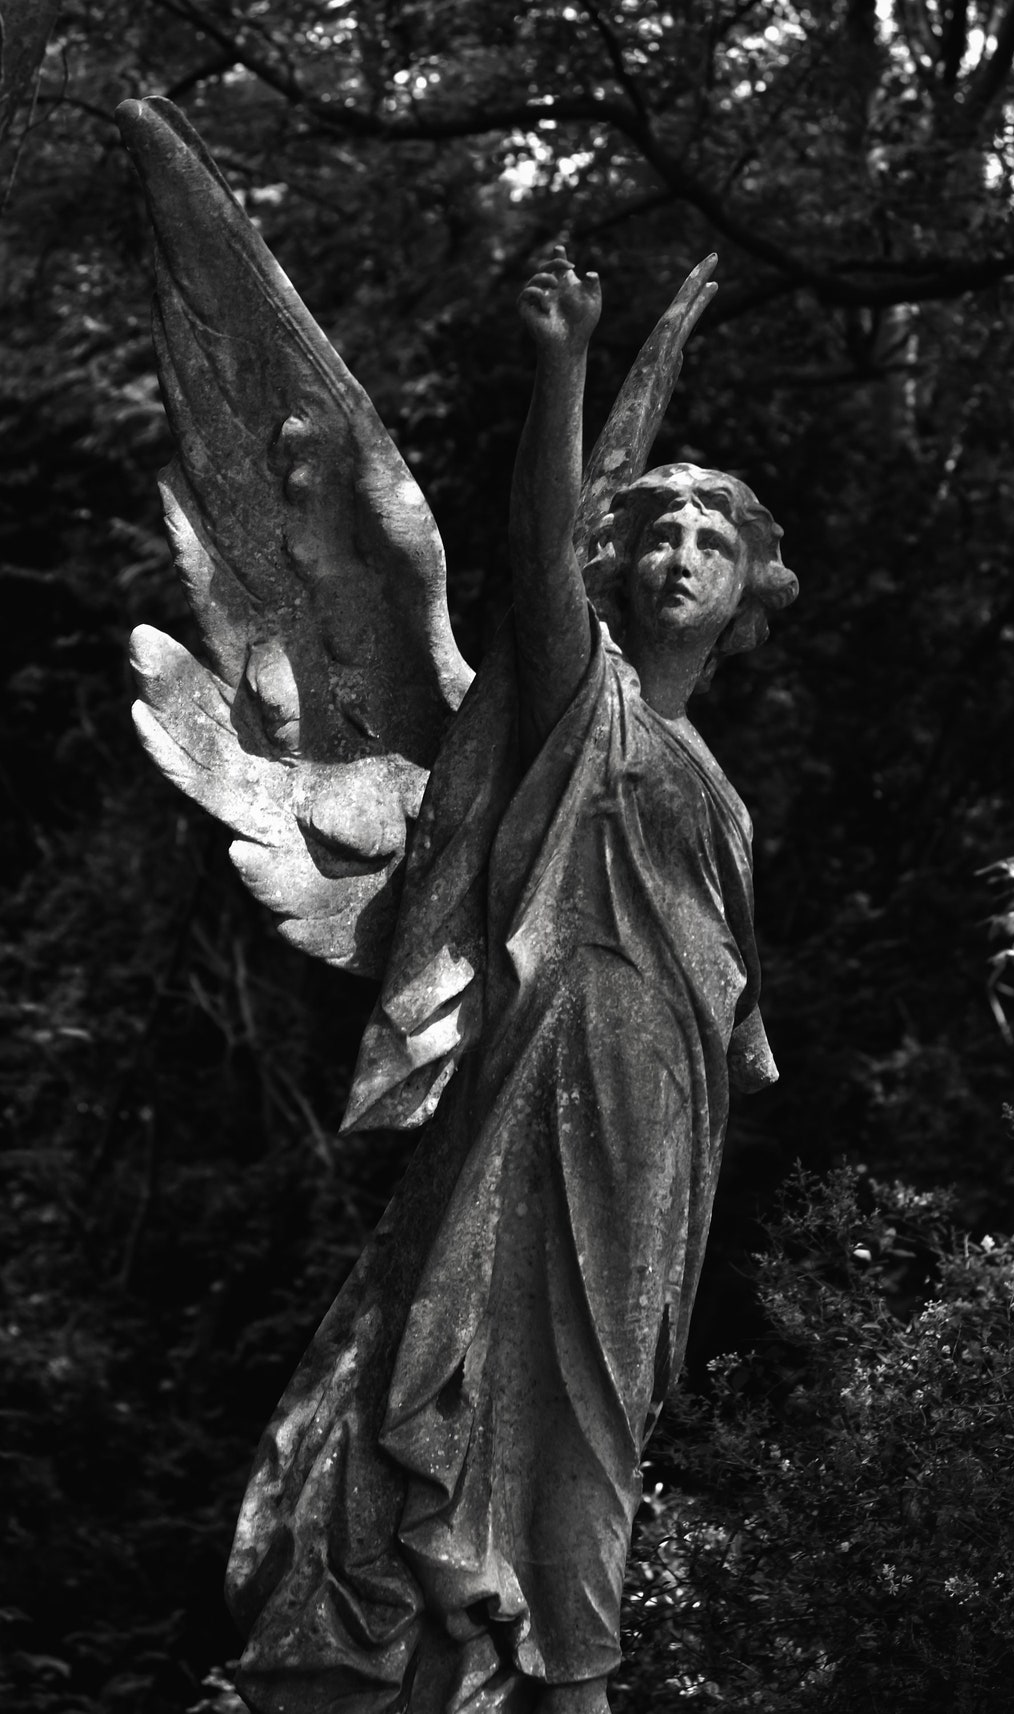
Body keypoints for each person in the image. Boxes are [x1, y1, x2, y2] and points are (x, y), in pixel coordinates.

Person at [224, 251, 797, 1714]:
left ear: (747, 596)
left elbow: (725, 991)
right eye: (655, 527)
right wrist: (565, 373)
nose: (677, 549)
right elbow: (538, 561)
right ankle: (547, 1662)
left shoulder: (718, 790)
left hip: (662, 1116)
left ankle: (555, 1658)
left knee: (607, 1399)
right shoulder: (576, 698)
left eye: (710, 540)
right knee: (503, 1364)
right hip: (550, 1067)